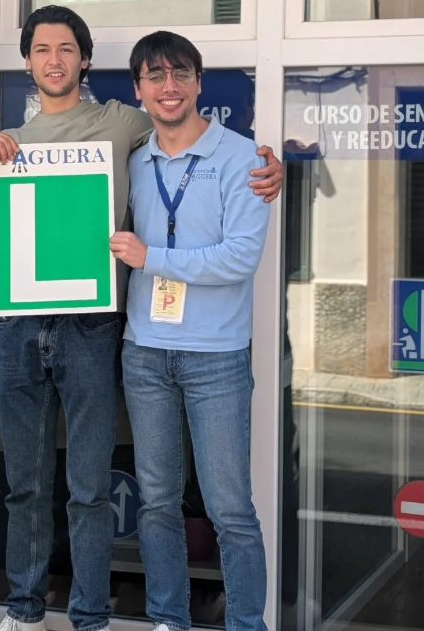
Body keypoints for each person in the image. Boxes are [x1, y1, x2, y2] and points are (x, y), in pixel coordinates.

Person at [0, 6, 282, 631]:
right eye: (42, 49)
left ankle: (96, 617)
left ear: (84, 62)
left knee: (111, 492)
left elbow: (207, 157)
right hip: (43, 329)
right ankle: (37, 613)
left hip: (105, 329)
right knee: (41, 484)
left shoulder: (123, 126)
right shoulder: (10, 145)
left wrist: (274, 170)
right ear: (28, 61)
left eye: (67, 49)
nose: (55, 60)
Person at [109, 31, 271, 631]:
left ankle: (246, 623)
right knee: (156, 503)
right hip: (145, 352)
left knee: (230, 510)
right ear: (138, 90)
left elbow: (238, 259)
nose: (168, 86)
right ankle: (167, 619)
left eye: (180, 74)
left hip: (217, 358)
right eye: (155, 76)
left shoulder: (246, 160)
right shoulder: (133, 162)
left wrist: (151, 257)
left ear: (199, 82)